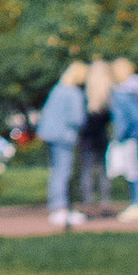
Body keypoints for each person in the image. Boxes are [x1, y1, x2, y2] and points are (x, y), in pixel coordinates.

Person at [37, 61, 88, 229]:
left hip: (51, 135)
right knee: (63, 171)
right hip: (64, 136)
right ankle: (61, 208)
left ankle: (57, 206)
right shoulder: (73, 93)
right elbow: (77, 119)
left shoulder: (58, 89)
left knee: (56, 171)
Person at [107, 59, 138, 225]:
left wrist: (117, 137)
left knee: (133, 170)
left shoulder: (120, 93)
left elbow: (122, 120)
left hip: (128, 136)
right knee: (136, 168)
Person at [77, 57, 114, 218]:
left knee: (86, 171)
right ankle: (105, 202)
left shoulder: (84, 94)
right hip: (102, 138)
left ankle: (88, 203)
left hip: (87, 138)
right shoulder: (109, 96)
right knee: (103, 170)